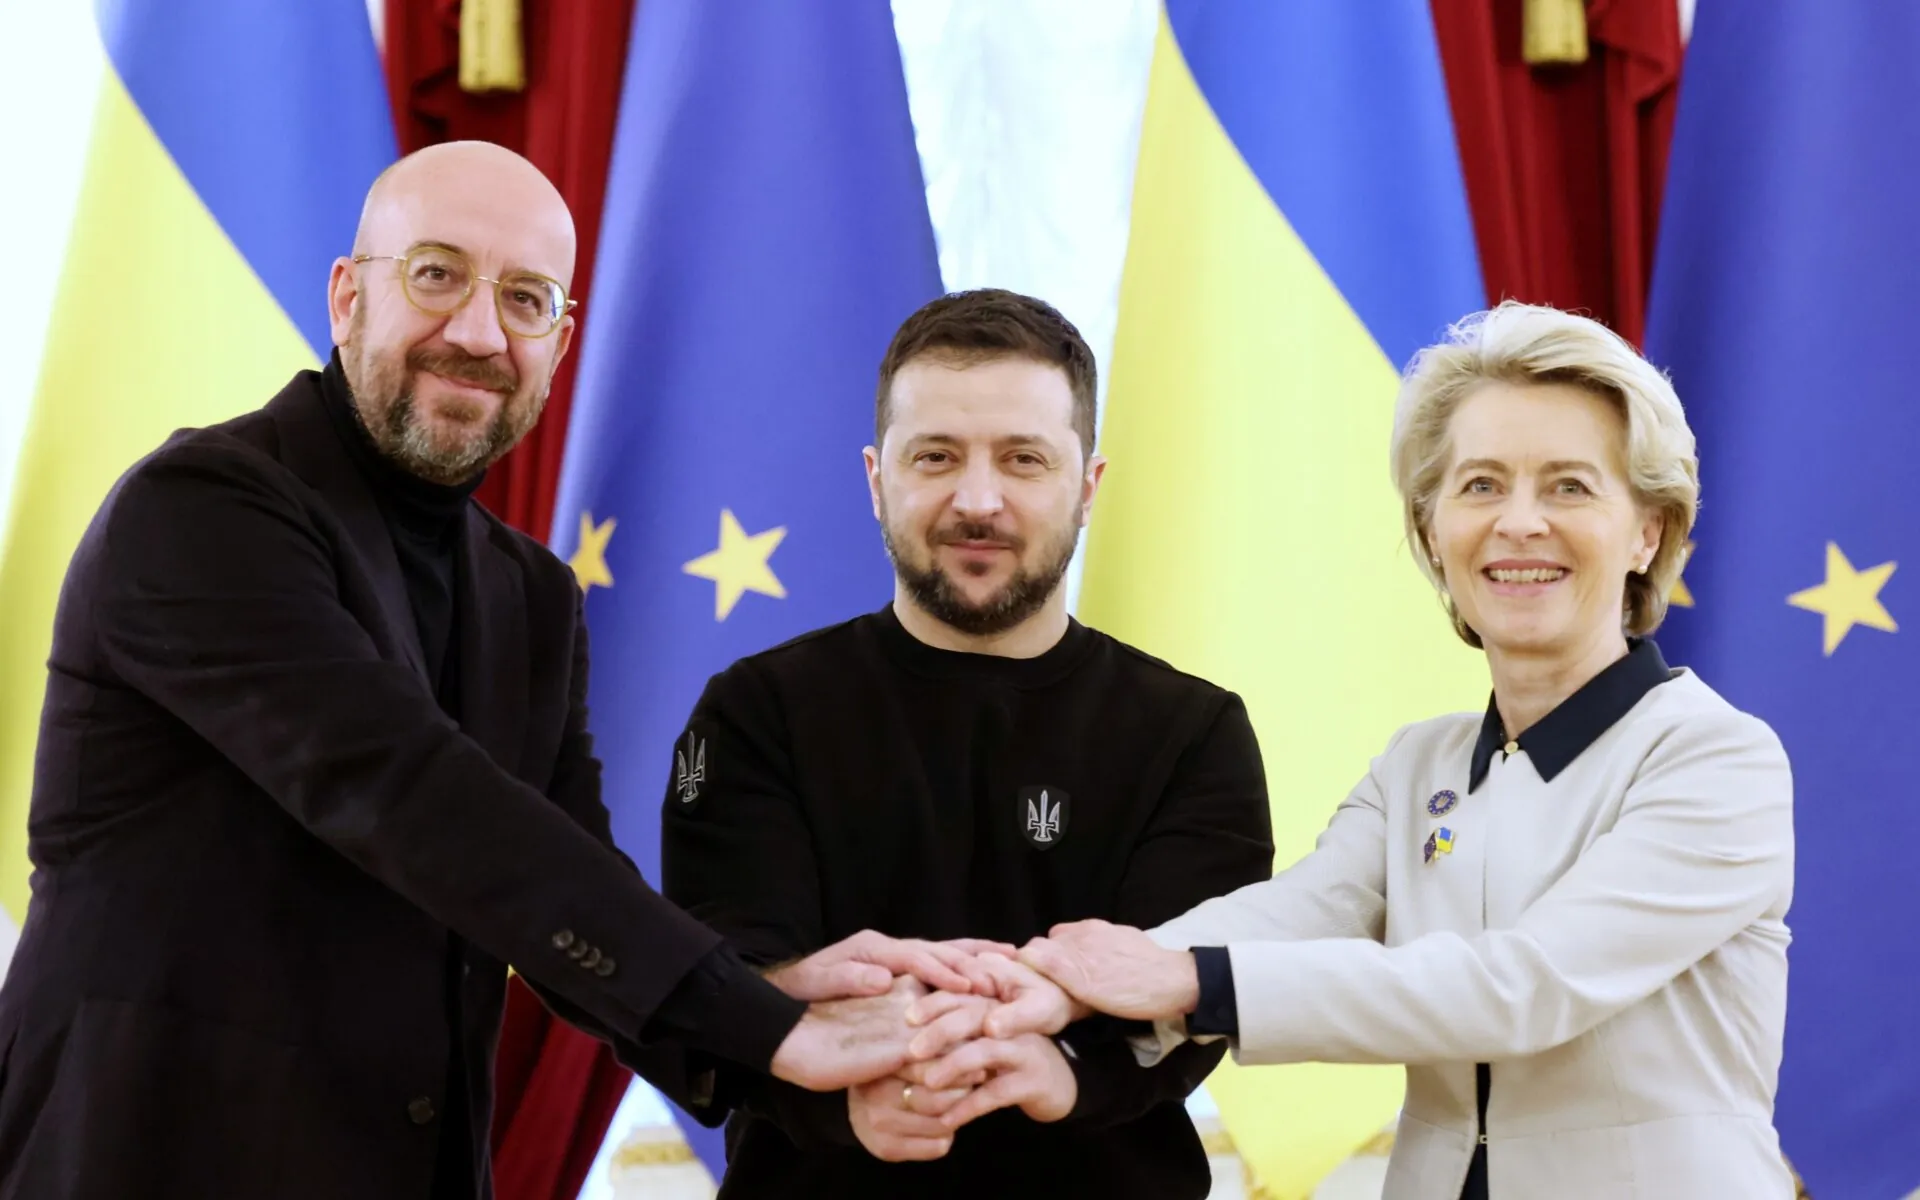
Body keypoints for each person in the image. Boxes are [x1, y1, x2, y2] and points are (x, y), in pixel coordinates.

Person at [0, 141, 1002, 1200]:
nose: (477, 334)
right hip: (144, 1160)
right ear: (347, 297)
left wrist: (770, 999)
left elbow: (565, 863)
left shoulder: (529, 594)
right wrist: (771, 1029)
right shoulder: (199, 507)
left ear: (561, 342)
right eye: (435, 274)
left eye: (525, 299)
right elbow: (413, 795)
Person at [970, 302, 1797, 1198]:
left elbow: (1521, 987)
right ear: (1434, 530)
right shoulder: (1419, 768)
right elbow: (1291, 916)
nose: (1519, 523)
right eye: (1480, 485)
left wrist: (1177, 979)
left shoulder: (1716, 759)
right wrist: (1055, 986)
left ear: (1648, 531)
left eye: (1569, 485)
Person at [658, 288, 1276, 1197]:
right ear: (877, 479)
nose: (977, 500)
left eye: (1023, 460)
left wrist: (1064, 1072)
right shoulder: (755, 713)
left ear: (1087, 486)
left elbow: (1192, 992)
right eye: (935, 457)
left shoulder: (1194, 732)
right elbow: (721, 983)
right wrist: (845, 1099)